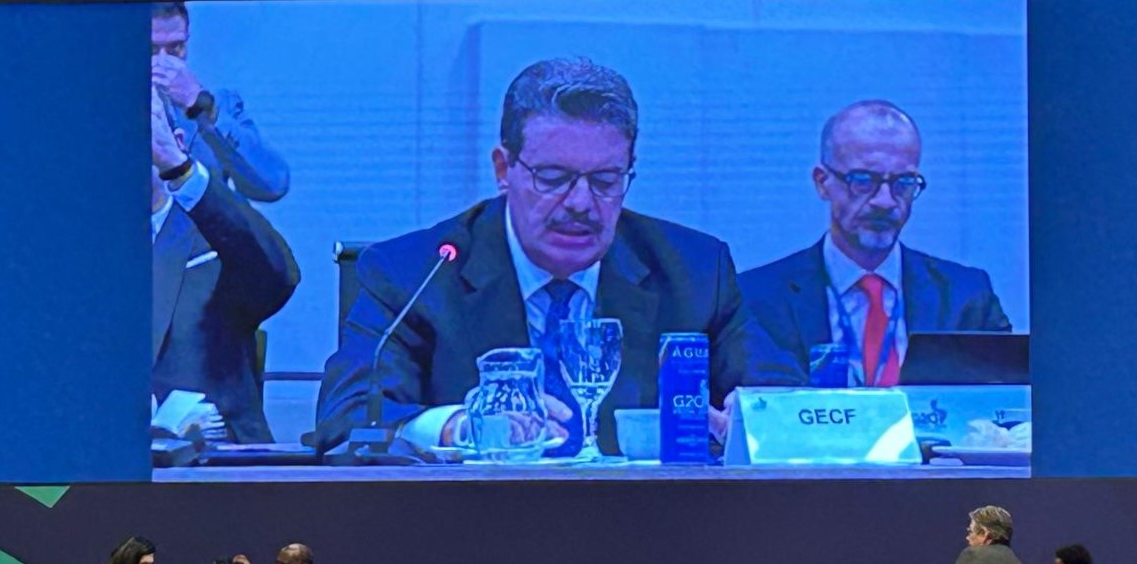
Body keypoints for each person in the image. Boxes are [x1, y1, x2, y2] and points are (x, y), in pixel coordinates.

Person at [314, 56, 803, 457]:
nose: (581, 203)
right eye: (553, 177)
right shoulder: (416, 274)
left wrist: (757, 422)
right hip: (467, 529)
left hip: (649, 528)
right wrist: (460, 427)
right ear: (503, 169)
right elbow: (348, 422)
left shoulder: (693, 272)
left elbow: (783, 405)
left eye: (606, 180)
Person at [739, 100, 1011, 385]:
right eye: (863, 181)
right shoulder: (758, 299)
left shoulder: (965, 296)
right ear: (822, 182)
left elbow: (1005, 397)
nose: (885, 201)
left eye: (903, 183)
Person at [150, 86, 300, 443]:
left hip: (213, 460)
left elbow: (278, 273)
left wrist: (179, 168)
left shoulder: (216, 239)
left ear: (178, 142)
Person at [150, 1, 290, 202]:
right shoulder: (107, 109)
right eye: (151, 49)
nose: (163, 62)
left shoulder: (219, 105)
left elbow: (273, 185)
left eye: (175, 48)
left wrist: (204, 110)